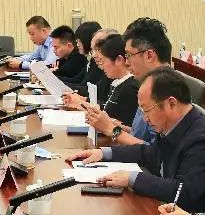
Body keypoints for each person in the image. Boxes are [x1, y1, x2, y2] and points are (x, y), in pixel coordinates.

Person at [67, 67, 205, 213]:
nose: (145, 119)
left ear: (171, 104)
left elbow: (183, 192)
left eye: (147, 110)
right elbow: (150, 153)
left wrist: (133, 178)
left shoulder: (201, 140)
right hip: (171, 211)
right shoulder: (175, 124)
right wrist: (104, 153)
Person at [87, 18, 170, 146]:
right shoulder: (149, 84)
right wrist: (114, 126)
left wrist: (111, 130)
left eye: (129, 55)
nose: (126, 62)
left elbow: (155, 151)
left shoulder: (166, 92)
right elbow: (139, 135)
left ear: (149, 55)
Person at [76, 33, 138, 130]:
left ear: (119, 60)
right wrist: (84, 105)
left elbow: (132, 130)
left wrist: (110, 123)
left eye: (103, 61)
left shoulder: (130, 88)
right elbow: (108, 111)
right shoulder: (117, 83)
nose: (101, 65)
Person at [67, 20, 102, 91]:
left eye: (79, 41)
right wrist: (54, 80)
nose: (77, 45)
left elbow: (85, 87)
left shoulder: (97, 62)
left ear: (88, 40)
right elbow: (76, 80)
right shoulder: (89, 59)